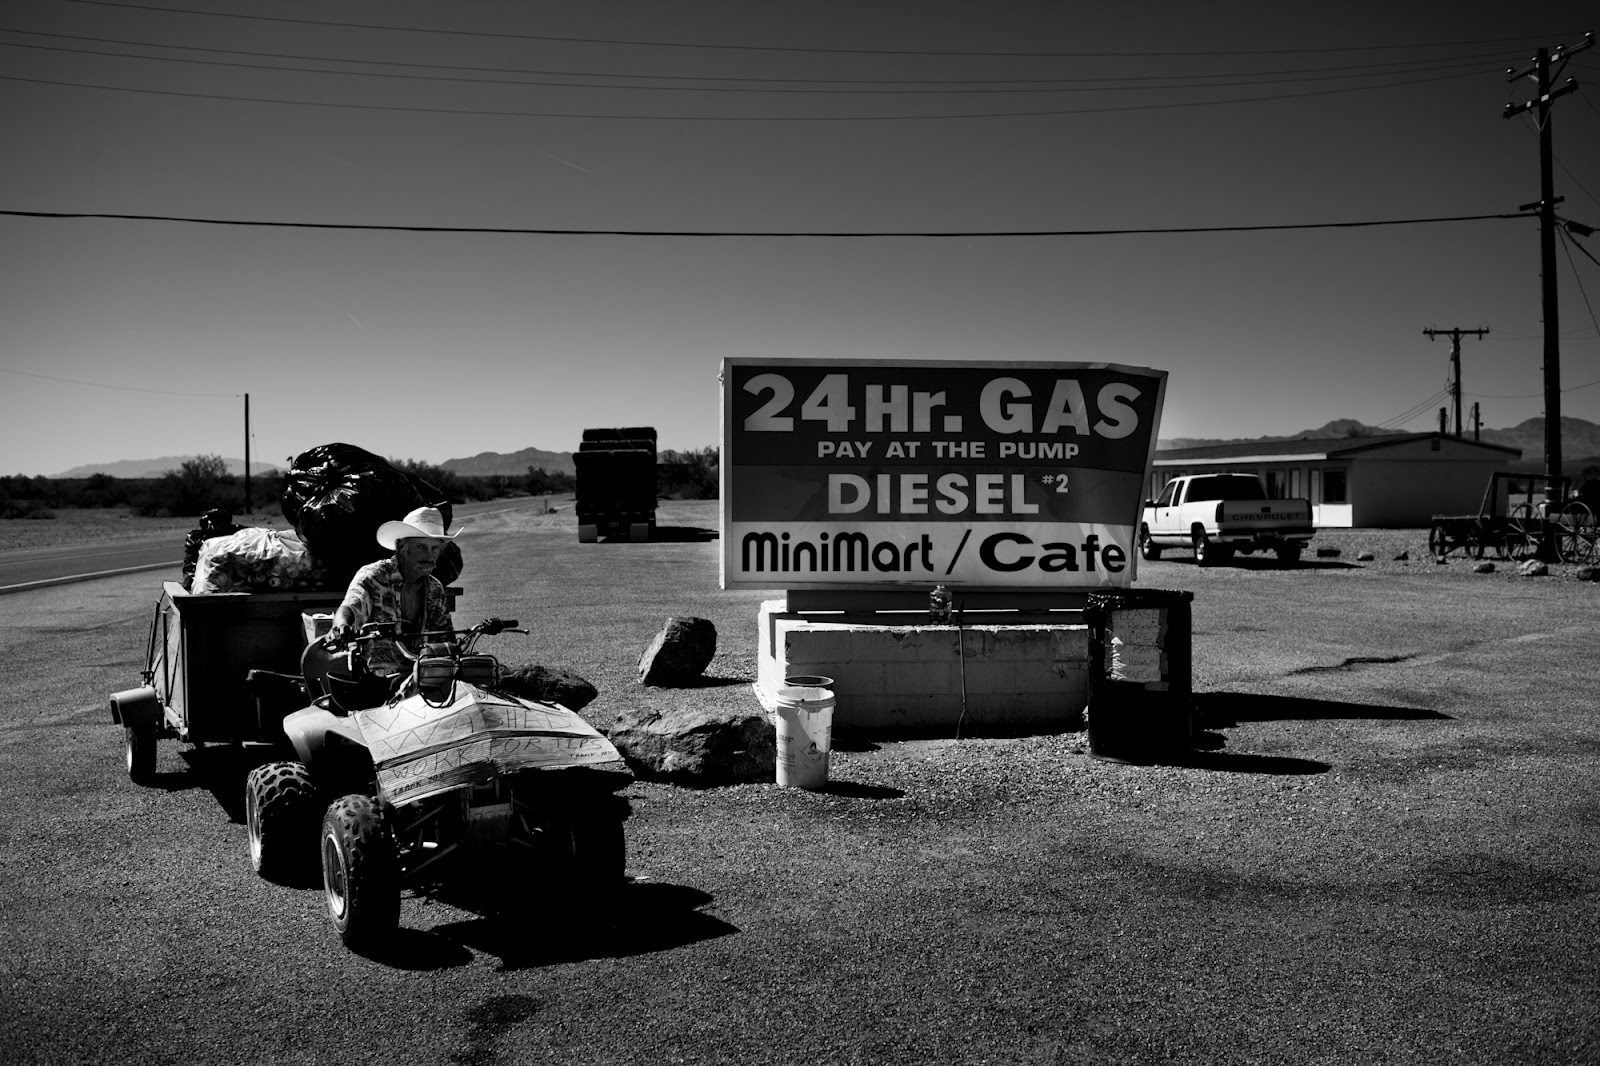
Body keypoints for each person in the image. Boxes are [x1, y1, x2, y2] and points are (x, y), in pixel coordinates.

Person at [324, 506, 463, 685]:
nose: (430, 556)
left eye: (435, 548)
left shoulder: (435, 589)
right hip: (376, 681)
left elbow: (447, 639)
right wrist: (342, 626)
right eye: (421, 547)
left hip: (423, 680)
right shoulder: (373, 577)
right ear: (401, 547)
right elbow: (351, 606)